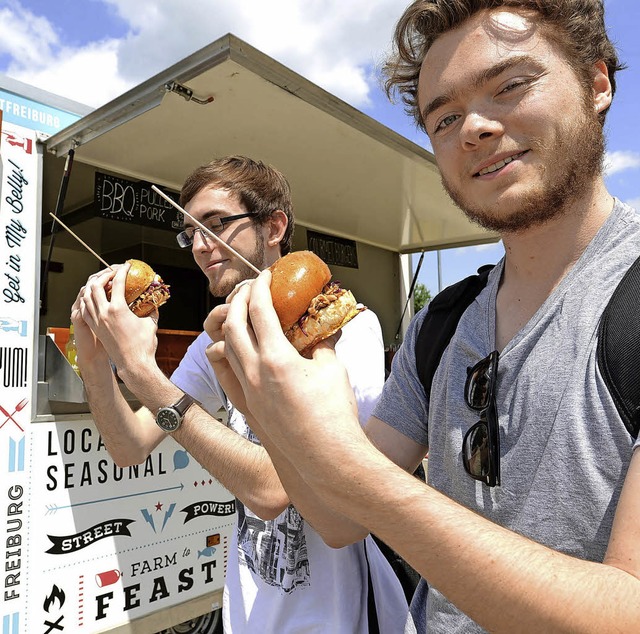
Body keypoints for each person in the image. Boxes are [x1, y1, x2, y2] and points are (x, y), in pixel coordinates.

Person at [210, 2, 640, 632]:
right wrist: (267, 410)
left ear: (596, 82)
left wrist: (349, 467)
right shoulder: (442, 322)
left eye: (510, 85)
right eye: (444, 117)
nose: (474, 128)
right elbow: (337, 518)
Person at [71, 155, 409, 633]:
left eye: (217, 224)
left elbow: (272, 489)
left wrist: (142, 372)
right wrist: (94, 358)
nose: (201, 246)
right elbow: (131, 445)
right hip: (248, 612)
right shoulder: (214, 340)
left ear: (274, 227)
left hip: (337, 617)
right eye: (190, 233)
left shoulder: (341, 330)